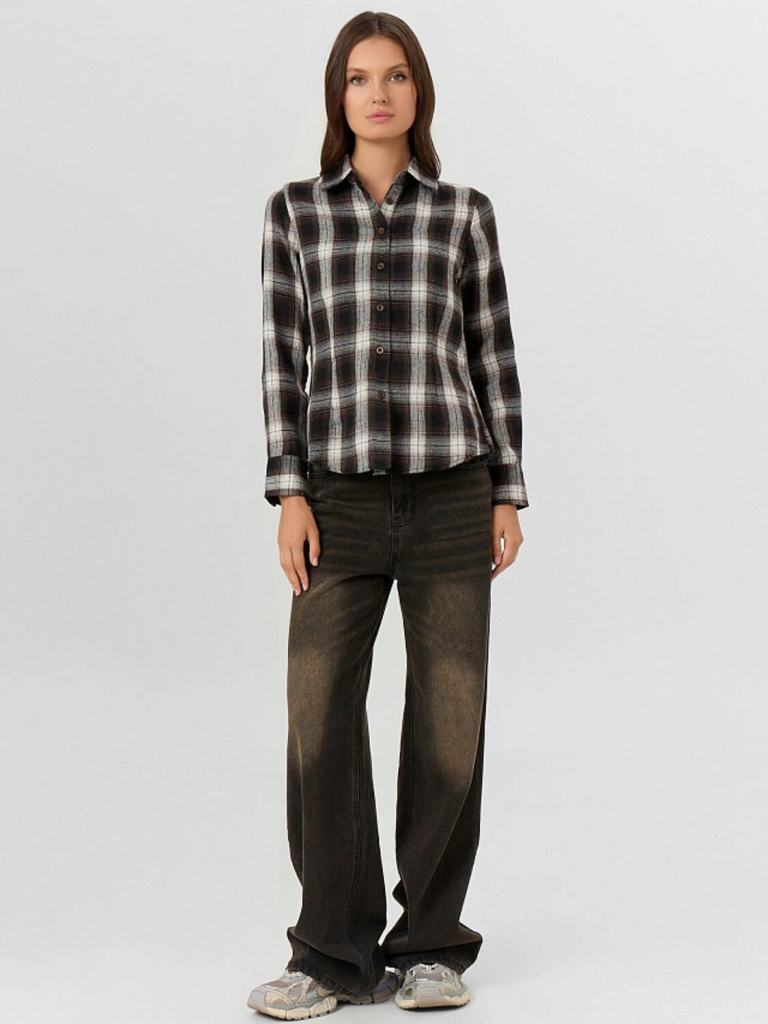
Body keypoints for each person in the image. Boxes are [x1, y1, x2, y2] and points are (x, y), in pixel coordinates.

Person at [248, 11, 528, 1019]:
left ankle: (431, 947)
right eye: (360, 77)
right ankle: (331, 953)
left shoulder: (464, 214)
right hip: (337, 500)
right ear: (340, 95)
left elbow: (493, 354)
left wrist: (505, 488)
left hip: (452, 492)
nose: (378, 93)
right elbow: (283, 357)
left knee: (450, 727)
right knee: (319, 720)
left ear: (419, 93)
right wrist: (290, 489)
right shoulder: (294, 213)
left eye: (397, 75)